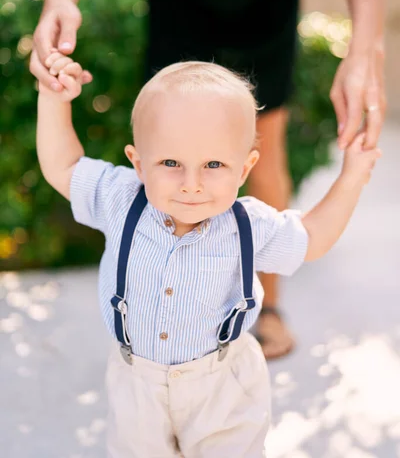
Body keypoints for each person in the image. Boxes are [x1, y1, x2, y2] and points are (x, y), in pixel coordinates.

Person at [30, 0, 386, 359]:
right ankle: (153, 305)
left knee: (267, 135)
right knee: (169, 143)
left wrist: (366, 47)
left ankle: (268, 307)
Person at [36, 58, 380, 458]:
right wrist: (53, 100)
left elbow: (314, 237)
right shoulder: (120, 198)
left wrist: (351, 177)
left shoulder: (249, 224)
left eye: (214, 165)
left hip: (222, 385)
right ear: (138, 163)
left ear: (245, 167)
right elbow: (63, 166)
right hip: (137, 381)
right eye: (170, 164)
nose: (192, 185)